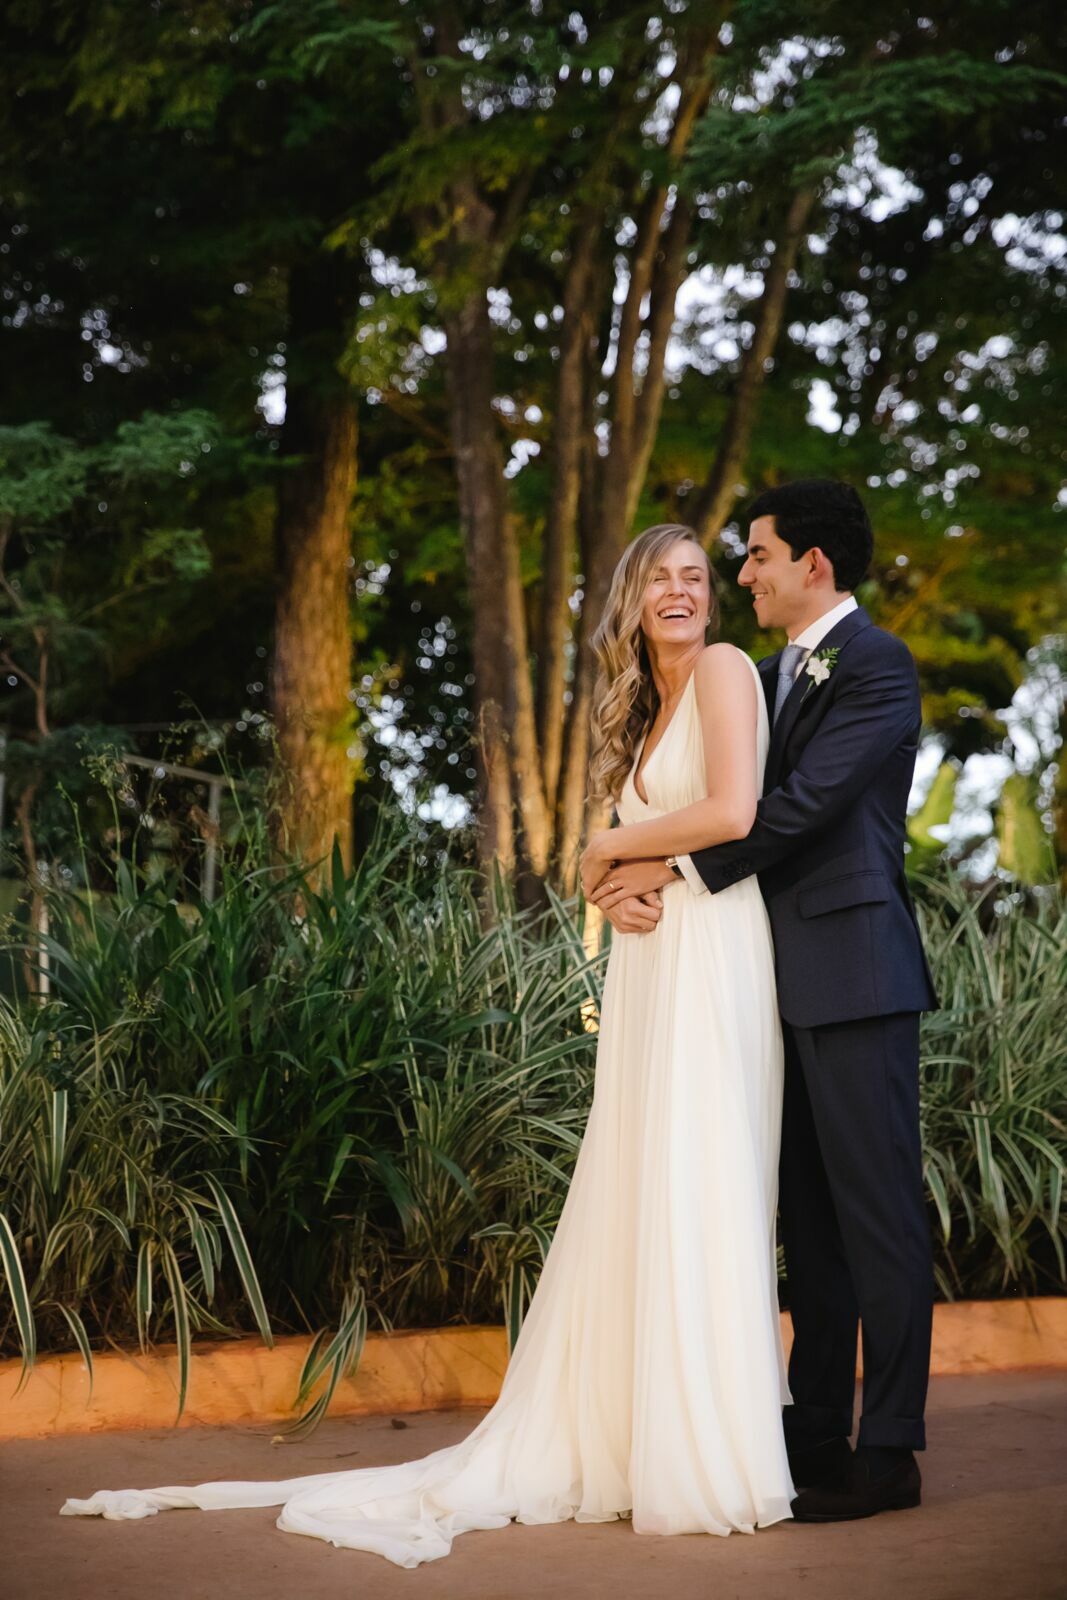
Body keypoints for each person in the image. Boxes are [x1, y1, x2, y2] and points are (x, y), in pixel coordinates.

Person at [61, 521, 797, 1565]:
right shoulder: (638, 709)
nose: (679, 593)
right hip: (649, 963)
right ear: (631, 601)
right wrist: (610, 880)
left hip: (712, 955)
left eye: (693, 577)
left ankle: (709, 1455)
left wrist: (606, 847)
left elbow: (732, 810)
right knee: (643, 1182)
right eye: (657, 580)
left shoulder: (724, 669)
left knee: (699, 1181)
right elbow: (634, 857)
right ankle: (640, 1442)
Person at [591, 479, 938, 1523]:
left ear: (811, 565)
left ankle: (890, 1449)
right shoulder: (766, 673)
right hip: (766, 981)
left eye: (756, 555)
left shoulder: (873, 664)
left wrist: (657, 867)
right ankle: (813, 1430)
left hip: (856, 973)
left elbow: (797, 807)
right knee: (809, 1229)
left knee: (877, 1218)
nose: (741, 575)